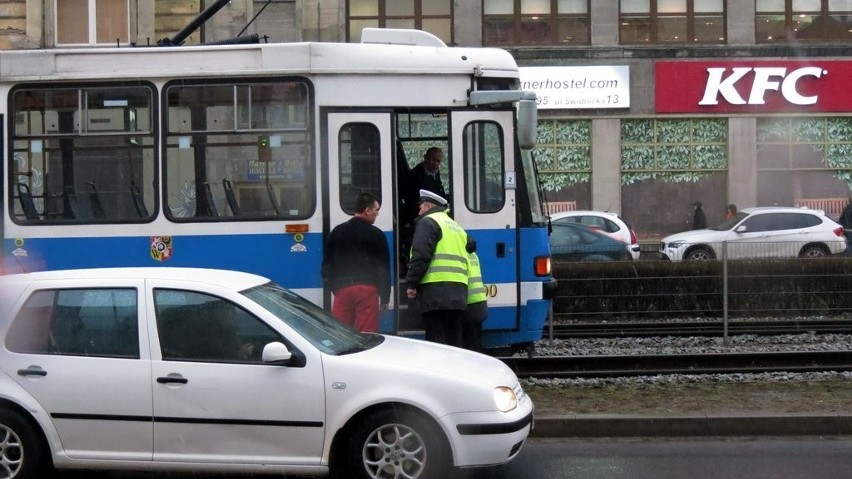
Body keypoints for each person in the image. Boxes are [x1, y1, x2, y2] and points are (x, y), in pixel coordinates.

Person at [405, 189, 468, 347]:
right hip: (458, 292)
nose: (419, 210)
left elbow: (421, 255)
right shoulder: (455, 226)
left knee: (437, 343)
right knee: (454, 342)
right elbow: (471, 245)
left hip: (436, 294)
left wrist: (412, 283)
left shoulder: (428, 222)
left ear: (428, 206)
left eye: (421, 206)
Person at [321, 192, 390, 333]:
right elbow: (382, 269)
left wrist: (336, 287)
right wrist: (384, 298)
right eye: (376, 210)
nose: (377, 214)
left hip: (342, 290)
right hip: (367, 291)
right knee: (366, 335)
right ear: (367, 210)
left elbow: (326, 267)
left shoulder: (336, 232)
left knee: (341, 335)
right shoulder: (377, 235)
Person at [463, 237, 487, 353]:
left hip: (469, 303)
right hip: (479, 303)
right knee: (476, 341)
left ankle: (473, 368)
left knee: (469, 346)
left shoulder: (461, 256)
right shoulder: (473, 255)